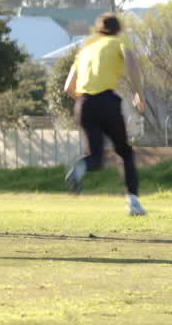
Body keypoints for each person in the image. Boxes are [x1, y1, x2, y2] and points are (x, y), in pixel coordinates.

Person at [63, 13, 148, 216]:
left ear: (98, 29)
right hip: (106, 101)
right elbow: (130, 59)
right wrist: (139, 93)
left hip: (83, 103)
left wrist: (87, 104)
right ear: (118, 29)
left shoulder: (86, 48)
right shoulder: (117, 41)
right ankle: (133, 203)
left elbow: (68, 87)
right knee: (124, 152)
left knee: (95, 157)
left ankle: (81, 166)